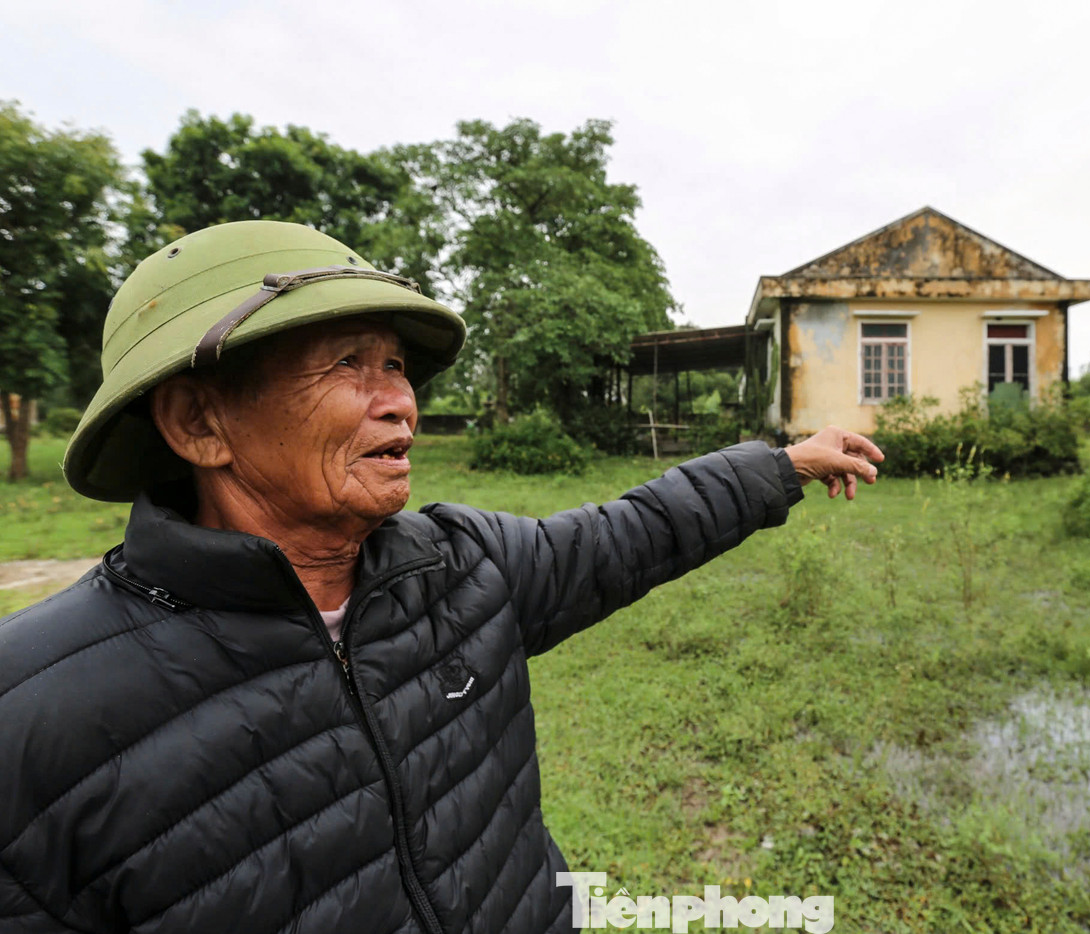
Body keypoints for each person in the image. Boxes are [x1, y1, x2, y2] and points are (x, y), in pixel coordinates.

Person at [0, 221, 882, 934]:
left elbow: (630, 535)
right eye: (348, 363)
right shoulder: (33, 722)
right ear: (199, 422)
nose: (401, 402)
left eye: (396, 366)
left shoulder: (459, 567)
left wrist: (780, 467)